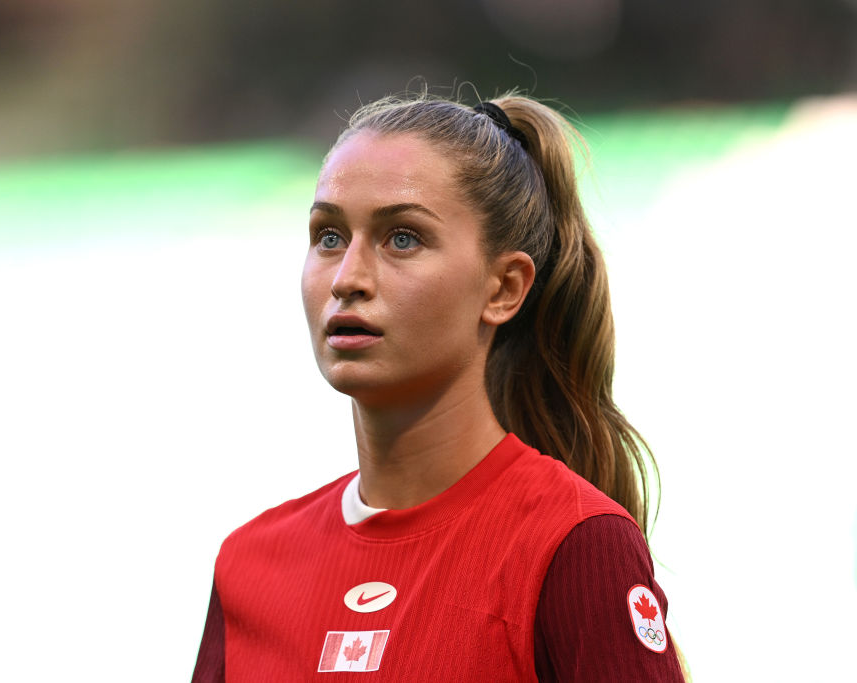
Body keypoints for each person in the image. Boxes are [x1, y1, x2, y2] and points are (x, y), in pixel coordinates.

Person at [191, 91, 686, 681]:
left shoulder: (573, 542)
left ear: (504, 288)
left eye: (402, 238)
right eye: (329, 236)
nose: (347, 278)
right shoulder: (248, 564)